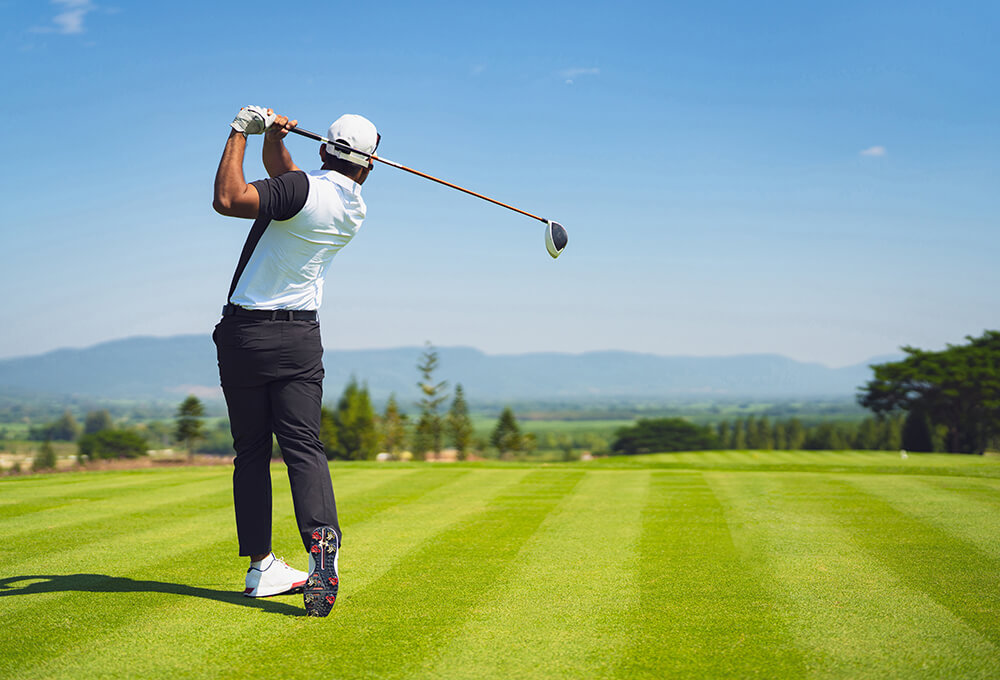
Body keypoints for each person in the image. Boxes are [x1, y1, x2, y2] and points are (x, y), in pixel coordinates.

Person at [212, 105, 378, 617]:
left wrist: (241, 131)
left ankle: (262, 565)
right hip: (301, 337)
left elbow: (229, 199)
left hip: (246, 335)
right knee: (304, 447)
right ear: (368, 166)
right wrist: (274, 139)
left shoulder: (302, 189)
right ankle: (321, 545)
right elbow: (289, 183)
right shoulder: (354, 207)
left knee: (252, 453)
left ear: (324, 149)